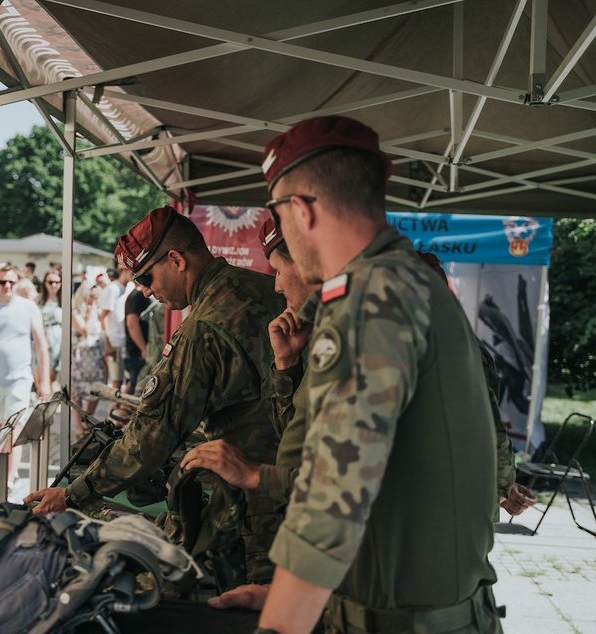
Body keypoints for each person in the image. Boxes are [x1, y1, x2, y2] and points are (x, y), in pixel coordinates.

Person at [256, 116, 500, 633]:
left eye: (279, 211)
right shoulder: (412, 282)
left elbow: (329, 507)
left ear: (299, 210)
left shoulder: (370, 298)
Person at [26, 206, 286, 584]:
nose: (146, 290)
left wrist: (72, 495)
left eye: (146, 277)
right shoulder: (267, 288)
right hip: (294, 482)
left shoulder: (202, 330)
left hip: (253, 512)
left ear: (177, 260)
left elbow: (150, 437)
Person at [183, 216, 319, 611]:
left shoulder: (363, 344)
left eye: (279, 270)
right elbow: (299, 438)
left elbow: (356, 490)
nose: (275, 285)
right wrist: (288, 366)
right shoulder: (324, 334)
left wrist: (257, 476)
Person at [416, 252, 535, 519]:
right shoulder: (458, 342)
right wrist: (501, 485)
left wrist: (502, 486)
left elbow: (487, 425)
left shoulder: (444, 346)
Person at [0, 264, 52, 484]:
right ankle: (4, 471)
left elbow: (41, 344)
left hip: (20, 378)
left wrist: (44, 381)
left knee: (14, 427)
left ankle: (10, 477)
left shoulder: (28, 307)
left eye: (11, 282)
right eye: (2, 281)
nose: (7, 286)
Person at [69, 282, 106, 432]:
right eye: (92, 295)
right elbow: (85, 330)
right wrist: (93, 308)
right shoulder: (75, 312)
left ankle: (88, 419)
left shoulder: (97, 311)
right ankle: (79, 426)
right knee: (77, 392)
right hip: (80, 357)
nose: (94, 298)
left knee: (96, 390)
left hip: (95, 356)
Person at [98, 268, 132, 390]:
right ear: (124, 271)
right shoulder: (113, 289)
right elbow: (102, 317)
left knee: (127, 380)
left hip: (125, 341)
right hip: (114, 341)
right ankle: (115, 408)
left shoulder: (129, 287)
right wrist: (108, 343)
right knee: (116, 382)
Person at [123, 281, 151, 393]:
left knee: (133, 386)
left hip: (137, 351)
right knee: (137, 388)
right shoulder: (137, 296)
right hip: (137, 352)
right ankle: (121, 410)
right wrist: (143, 349)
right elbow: (131, 323)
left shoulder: (136, 295)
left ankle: (118, 408)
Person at [39, 269, 63, 388]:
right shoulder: (39, 300)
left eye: (57, 282)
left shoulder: (65, 301)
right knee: (41, 377)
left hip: (58, 342)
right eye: (50, 282)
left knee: (52, 378)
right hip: (42, 339)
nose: (53, 285)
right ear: (45, 283)